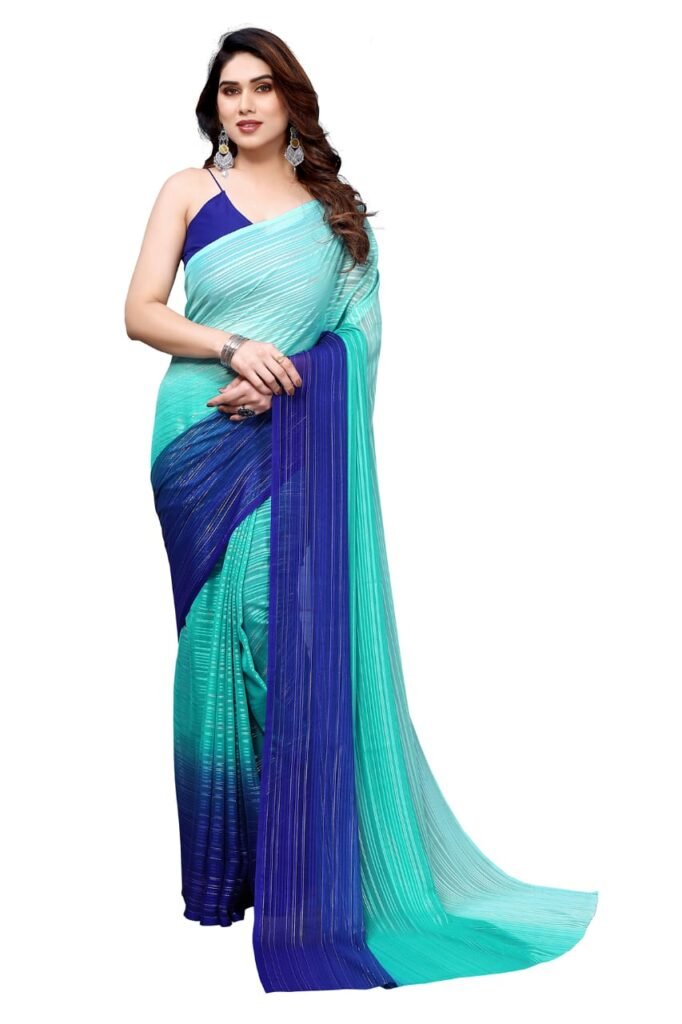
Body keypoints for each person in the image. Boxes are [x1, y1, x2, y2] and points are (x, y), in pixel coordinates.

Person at [124, 27, 598, 994]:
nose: (245, 105)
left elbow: (359, 336)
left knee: (279, 635)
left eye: (262, 88)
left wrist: (286, 379)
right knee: (213, 642)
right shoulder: (186, 191)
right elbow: (140, 311)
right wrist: (234, 349)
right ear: (213, 108)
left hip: (289, 436)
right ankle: (229, 874)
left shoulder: (335, 218)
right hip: (197, 437)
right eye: (229, 91)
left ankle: (303, 873)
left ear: (292, 101)